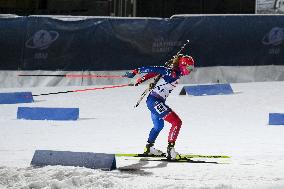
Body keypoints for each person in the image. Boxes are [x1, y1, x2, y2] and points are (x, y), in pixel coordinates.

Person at [124, 54, 195, 160]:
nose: (190, 70)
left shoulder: (175, 72)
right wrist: (136, 71)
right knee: (176, 122)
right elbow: (155, 69)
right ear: (182, 65)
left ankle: (149, 148)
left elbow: (156, 72)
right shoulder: (173, 73)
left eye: (191, 68)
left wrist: (141, 80)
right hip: (155, 102)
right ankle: (170, 151)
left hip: (154, 101)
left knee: (158, 126)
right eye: (189, 67)